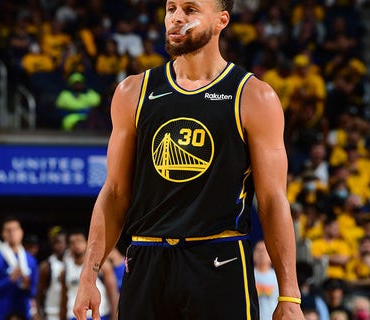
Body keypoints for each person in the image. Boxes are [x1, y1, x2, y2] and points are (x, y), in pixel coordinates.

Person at [73, 1, 303, 319]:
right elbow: (113, 194)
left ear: (222, 20)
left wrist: (289, 296)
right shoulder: (133, 92)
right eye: (171, 8)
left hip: (219, 261)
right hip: (146, 258)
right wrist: (89, 275)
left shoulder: (254, 96)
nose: (177, 18)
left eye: (190, 10)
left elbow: (273, 201)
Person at [0, 216, 38, 320]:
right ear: (3, 234)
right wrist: (9, 280)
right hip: (0, 314)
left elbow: (34, 292)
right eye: (8, 230)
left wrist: (27, 285)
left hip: (23, 313)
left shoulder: (30, 260)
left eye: (15, 229)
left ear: (21, 232)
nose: (12, 233)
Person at [61, 229, 117, 320]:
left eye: (79, 241)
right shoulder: (66, 269)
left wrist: (114, 317)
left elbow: (113, 294)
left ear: (87, 243)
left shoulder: (101, 265)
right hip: (73, 316)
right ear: (69, 246)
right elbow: (63, 301)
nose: (76, 245)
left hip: (99, 315)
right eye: (72, 242)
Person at [36, 226, 67, 320]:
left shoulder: (73, 262)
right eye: (55, 243)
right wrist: (39, 314)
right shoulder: (46, 266)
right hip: (53, 313)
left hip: (70, 312)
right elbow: (39, 294)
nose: (58, 246)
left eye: (60, 242)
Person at [253, 240, 279, 320]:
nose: (262, 254)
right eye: (259, 250)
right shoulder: (248, 276)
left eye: (265, 250)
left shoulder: (277, 277)